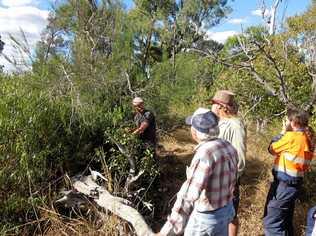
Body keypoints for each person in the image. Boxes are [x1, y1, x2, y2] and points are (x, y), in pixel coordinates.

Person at [155, 107, 238, 236]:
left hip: (206, 220)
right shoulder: (228, 146)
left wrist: (166, 232)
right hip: (225, 212)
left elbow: (188, 197)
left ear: (195, 131)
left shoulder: (205, 153)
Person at [263, 108, 313, 236]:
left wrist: (282, 133)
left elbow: (271, 149)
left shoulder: (291, 137)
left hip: (283, 185)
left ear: (293, 122)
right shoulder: (308, 139)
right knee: (285, 221)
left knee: (272, 223)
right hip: (294, 185)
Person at [209, 90, 246, 236]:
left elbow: (240, 158)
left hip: (228, 180)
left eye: (213, 103)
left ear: (220, 106)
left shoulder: (235, 126)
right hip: (216, 177)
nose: (211, 107)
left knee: (231, 215)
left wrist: (232, 181)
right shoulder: (219, 122)